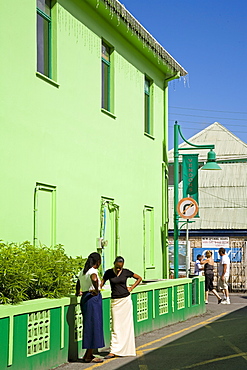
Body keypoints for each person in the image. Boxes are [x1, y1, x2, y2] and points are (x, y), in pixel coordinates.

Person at [101, 256, 142, 359]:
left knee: (126, 326)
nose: (119, 269)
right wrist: (95, 290)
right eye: (117, 267)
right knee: (115, 326)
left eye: (121, 267)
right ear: (114, 263)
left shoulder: (126, 272)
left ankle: (125, 350)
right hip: (115, 301)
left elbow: (139, 278)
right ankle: (113, 350)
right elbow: (101, 283)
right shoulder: (109, 272)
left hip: (125, 300)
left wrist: (131, 287)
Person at [76, 252, 104, 363]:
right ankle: (88, 355)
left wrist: (78, 291)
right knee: (94, 325)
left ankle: (89, 354)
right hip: (93, 298)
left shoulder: (82, 272)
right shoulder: (93, 271)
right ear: (98, 261)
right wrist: (97, 290)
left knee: (89, 324)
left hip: (85, 298)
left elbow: (78, 282)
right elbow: (95, 279)